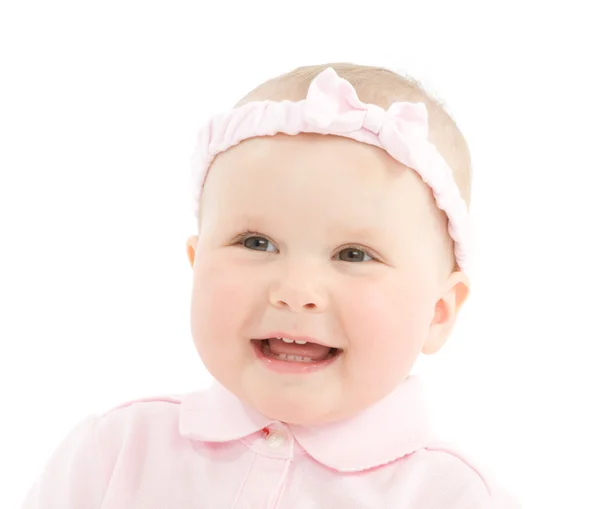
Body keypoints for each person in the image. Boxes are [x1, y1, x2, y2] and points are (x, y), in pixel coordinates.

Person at [22, 62, 520, 507]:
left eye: (353, 254)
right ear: (197, 264)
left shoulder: (453, 495)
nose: (295, 289)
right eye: (256, 243)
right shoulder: (117, 452)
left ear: (439, 311)